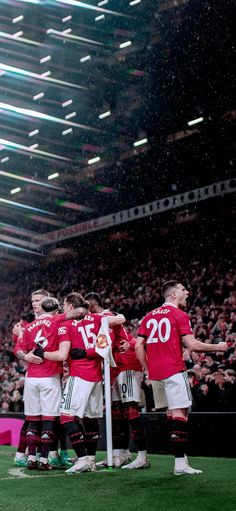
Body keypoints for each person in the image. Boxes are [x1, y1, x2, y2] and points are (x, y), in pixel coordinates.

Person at [135, 280, 228, 475]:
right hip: (174, 370)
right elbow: (192, 345)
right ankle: (180, 464)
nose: (187, 292)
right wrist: (217, 347)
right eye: (183, 289)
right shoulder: (179, 314)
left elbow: (138, 345)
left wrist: (147, 370)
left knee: (170, 414)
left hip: (156, 373)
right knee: (180, 414)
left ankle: (180, 458)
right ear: (173, 295)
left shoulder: (148, 316)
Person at [40, 292, 126, 474]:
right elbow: (120, 320)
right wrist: (90, 350)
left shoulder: (66, 325)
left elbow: (63, 354)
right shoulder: (97, 319)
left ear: (70, 307)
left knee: (66, 416)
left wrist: (42, 354)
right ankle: (92, 459)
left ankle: (82, 459)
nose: (63, 308)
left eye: (64, 305)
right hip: (96, 375)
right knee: (90, 418)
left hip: (78, 374)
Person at [85, 292, 149, 470]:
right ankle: (120, 454)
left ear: (91, 304)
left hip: (126, 363)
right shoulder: (101, 319)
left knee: (130, 410)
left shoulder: (107, 317)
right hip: (114, 369)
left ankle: (143, 456)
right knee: (116, 413)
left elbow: (103, 344)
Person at [17, 296, 65, 470]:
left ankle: (31, 458)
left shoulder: (29, 327)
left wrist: (26, 356)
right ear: (56, 309)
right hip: (50, 376)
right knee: (49, 419)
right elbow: (77, 312)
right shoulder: (57, 320)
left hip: (32, 377)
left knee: (33, 419)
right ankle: (44, 459)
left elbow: (18, 349)